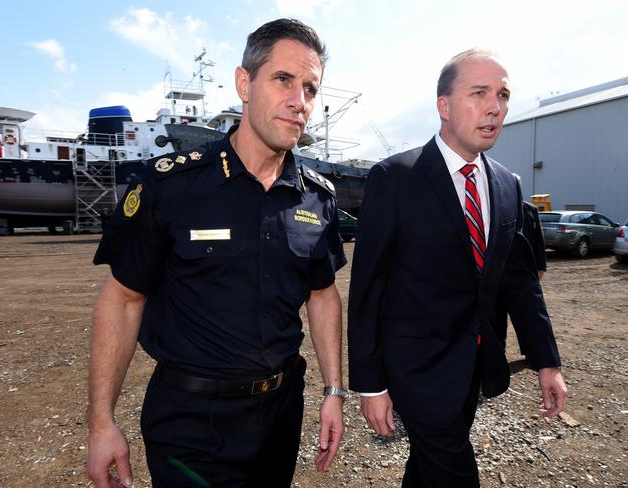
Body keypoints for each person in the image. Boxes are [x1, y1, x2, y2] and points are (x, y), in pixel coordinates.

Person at [87, 18, 347, 488]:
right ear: (244, 84)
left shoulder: (316, 197)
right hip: (192, 421)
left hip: (280, 416)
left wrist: (333, 390)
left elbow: (323, 294)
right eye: (283, 80)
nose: (299, 102)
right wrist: (101, 421)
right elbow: (123, 301)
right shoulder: (170, 185)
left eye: (310, 88)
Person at [347, 48, 567, 487]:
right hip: (416, 369)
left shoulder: (508, 185)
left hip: (476, 366)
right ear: (443, 106)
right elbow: (368, 288)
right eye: (480, 93)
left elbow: (519, 283)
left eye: (503, 95)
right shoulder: (395, 178)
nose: (495, 107)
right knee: (454, 471)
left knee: (428, 470)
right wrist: (370, 385)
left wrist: (546, 361)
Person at [495, 177, 548, 352]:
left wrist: (540, 267)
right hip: (500, 273)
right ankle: (498, 351)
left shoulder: (531, 210)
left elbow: (539, 241)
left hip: (525, 273)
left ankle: (531, 352)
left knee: (527, 316)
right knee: (497, 316)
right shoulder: (496, 208)